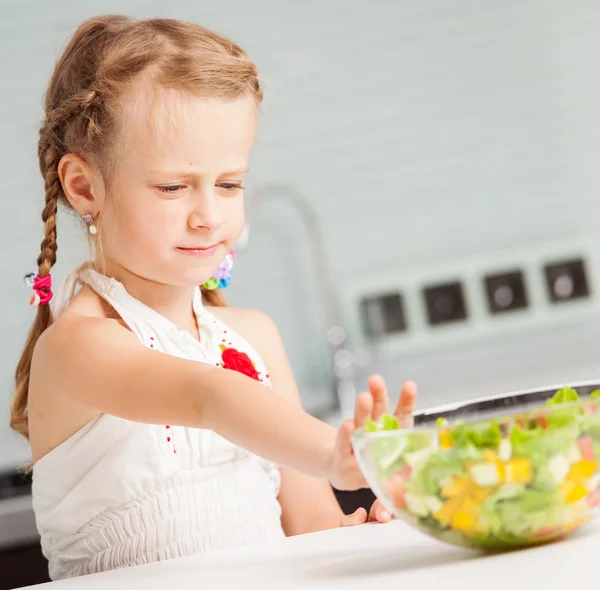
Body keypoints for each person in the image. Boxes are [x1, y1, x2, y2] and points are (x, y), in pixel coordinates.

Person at [10, 15, 417, 580]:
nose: (209, 216)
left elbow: (312, 527)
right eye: (174, 187)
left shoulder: (255, 338)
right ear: (84, 188)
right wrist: (335, 453)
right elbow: (209, 396)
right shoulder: (77, 348)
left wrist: (363, 538)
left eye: (229, 184)